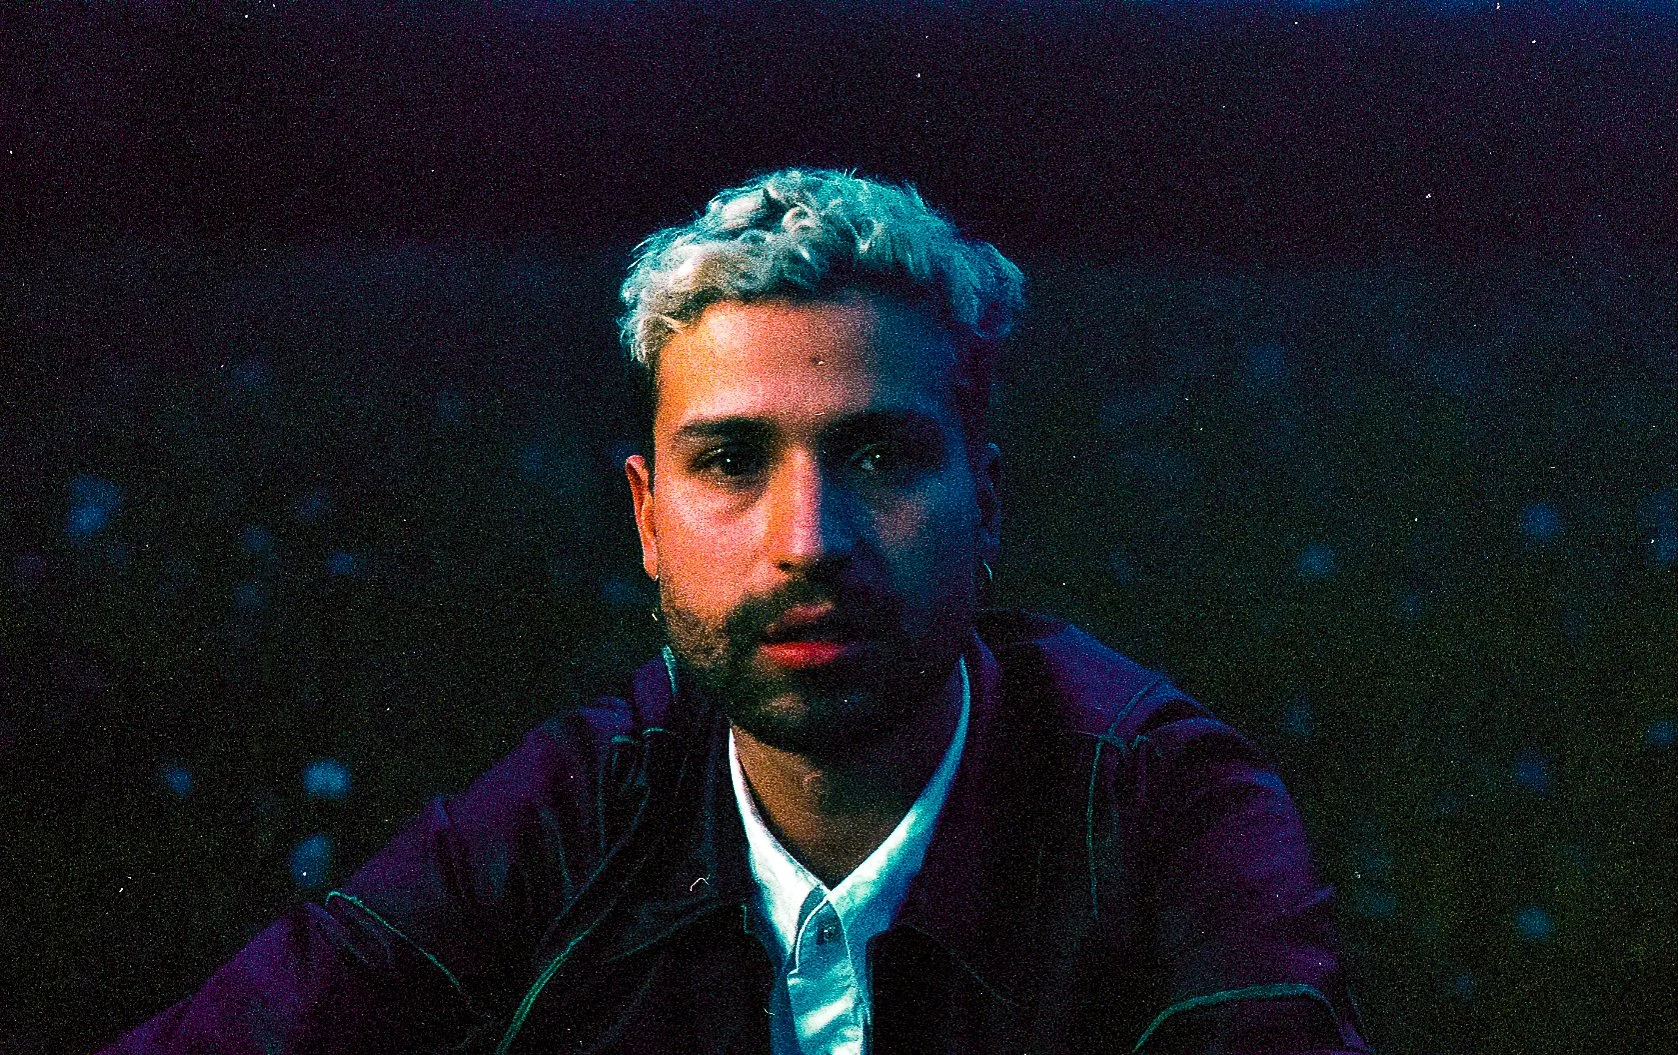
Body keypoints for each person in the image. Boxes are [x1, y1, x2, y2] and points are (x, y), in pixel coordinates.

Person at [98, 168, 1371, 1054]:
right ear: (648, 518)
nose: (807, 542)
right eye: (730, 461)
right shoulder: (583, 808)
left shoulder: (1159, 809)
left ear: (985, 502)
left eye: (878, 457)